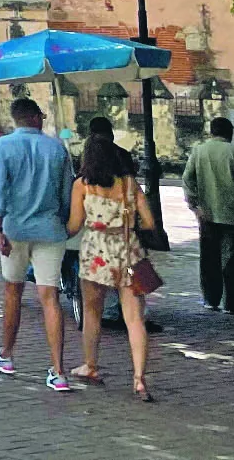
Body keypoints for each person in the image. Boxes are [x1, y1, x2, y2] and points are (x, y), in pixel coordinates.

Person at [0, 96, 75, 391]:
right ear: (36, 117)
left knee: (13, 290)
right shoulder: (57, 148)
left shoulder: (2, 146)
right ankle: (59, 371)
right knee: (50, 297)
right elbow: (66, 193)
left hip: (15, 228)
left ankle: (7, 355)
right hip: (51, 229)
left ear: (16, 119)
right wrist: (61, 220)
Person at [66, 116, 157, 399]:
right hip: (128, 251)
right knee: (134, 319)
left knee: (92, 314)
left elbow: (74, 225)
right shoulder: (130, 185)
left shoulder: (83, 185)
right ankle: (139, 378)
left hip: (95, 253)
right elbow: (150, 222)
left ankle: (90, 365)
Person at [181, 116, 234, 314]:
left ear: (211, 131)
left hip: (207, 215)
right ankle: (231, 303)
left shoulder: (199, 151)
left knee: (209, 259)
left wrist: (195, 205)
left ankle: (210, 299)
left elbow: (187, 179)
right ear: (230, 132)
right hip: (233, 214)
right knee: (232, 261)